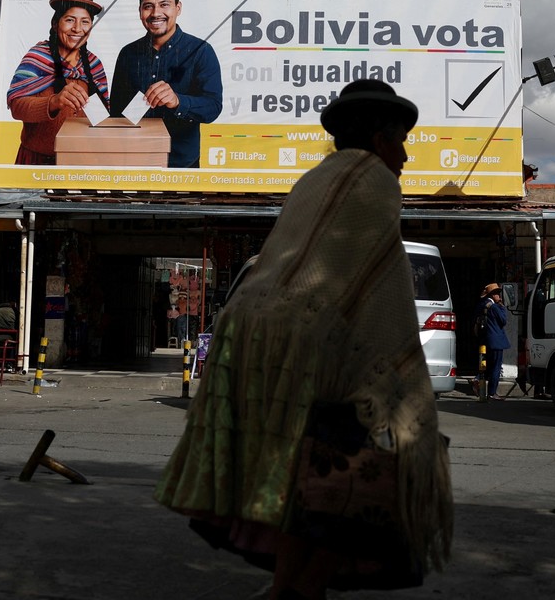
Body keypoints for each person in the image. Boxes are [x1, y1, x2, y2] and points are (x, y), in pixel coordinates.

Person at [155, 79, 452, 599]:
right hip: (316, 348)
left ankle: (283, 589)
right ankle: (299, 593)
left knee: (301, 483)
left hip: (255, 337)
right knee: (351, 484)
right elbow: (375, 284)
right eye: (401, 140)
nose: (404, 154)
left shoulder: (315, 178)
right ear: (381, 139)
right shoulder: (376, 181)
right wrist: (395, 376)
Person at [109, 0, 222, 168]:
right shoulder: (128, 53)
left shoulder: (201, 51)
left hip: (182, 164)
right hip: (135, 163)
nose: (156, 13)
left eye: (164, 5)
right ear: (140, 11)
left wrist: (179, 101)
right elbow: (117, 112)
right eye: (148, 6)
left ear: (178, 8)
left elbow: (213, 107)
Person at [7, 0, 110, 165]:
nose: (77, 28)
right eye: (70, 19)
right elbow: (17, 107)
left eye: (85, 21)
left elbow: (102, 116)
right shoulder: (38, 57)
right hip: (35, 163)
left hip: (80, 166)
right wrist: (54, 101)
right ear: (56, 23)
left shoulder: (94, 65)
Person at [479, 283, 511, 398]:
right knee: (496, 367)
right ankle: (492, 392)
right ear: (492, 295)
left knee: (487, 364)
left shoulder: (483, 304)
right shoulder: (495, 307)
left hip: (486, 339)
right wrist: (502, 307)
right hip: (496, 340)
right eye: (497, 293)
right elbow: (503, 321)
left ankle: (477, 379)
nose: (499, 296)